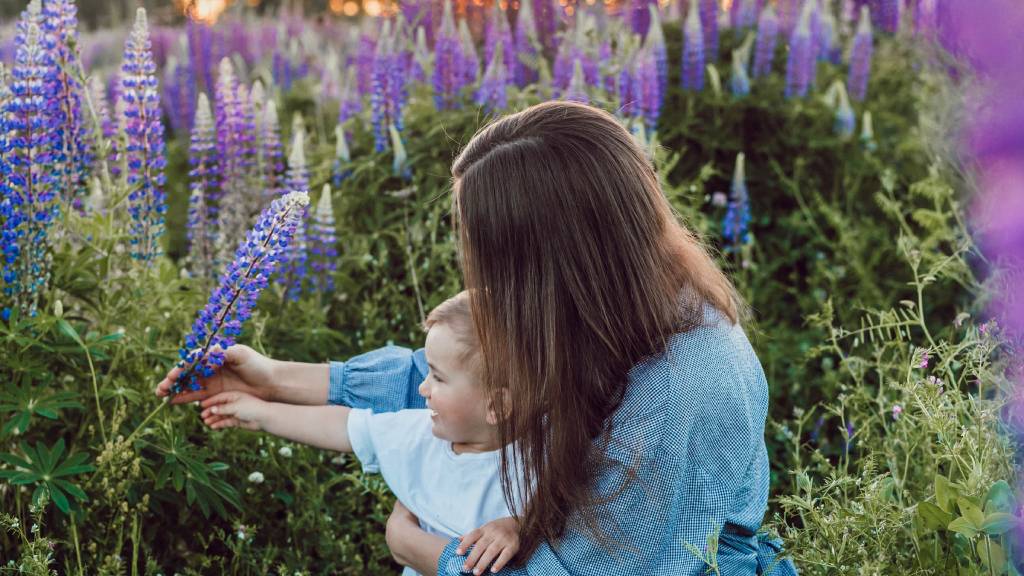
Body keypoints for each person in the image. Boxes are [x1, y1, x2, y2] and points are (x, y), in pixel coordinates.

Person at [158, 101, 797, 575]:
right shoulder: (619, 306)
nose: (479, 276)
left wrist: (424, 551)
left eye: (492, 260)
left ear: (554, 262)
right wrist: (272, 378)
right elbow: (460, 377)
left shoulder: (682, 390)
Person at [161, 292, 522, 576]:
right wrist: (260, 411)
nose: (423, 389)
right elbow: (345, 426)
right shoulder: (420, 434)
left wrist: (517, 526)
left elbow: (560, 517)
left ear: (497, 406)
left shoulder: (543, 456)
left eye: (438, 378)